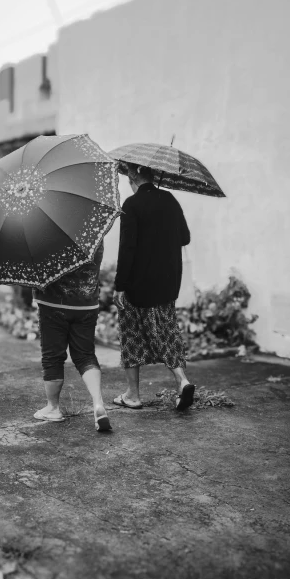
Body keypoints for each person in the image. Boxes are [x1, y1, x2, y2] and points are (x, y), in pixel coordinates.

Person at [113, 163, 195, 411]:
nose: (127, 177)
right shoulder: (169, 199)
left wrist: (119, 286)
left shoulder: (132, 205)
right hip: (168, 282)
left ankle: (133, 395)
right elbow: (185, 237)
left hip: (139, 285)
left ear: (135, 176)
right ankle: (182, 380)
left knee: (132, 337)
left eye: (128, 173)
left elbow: (127, 249)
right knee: (167, 332)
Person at [32, 241, 111, 432]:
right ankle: (98, 403)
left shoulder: (48, 232)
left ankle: (53, 408)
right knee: (85, 355)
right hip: (86, 305)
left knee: (53, 356)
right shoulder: (94, 230)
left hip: (53, 304)